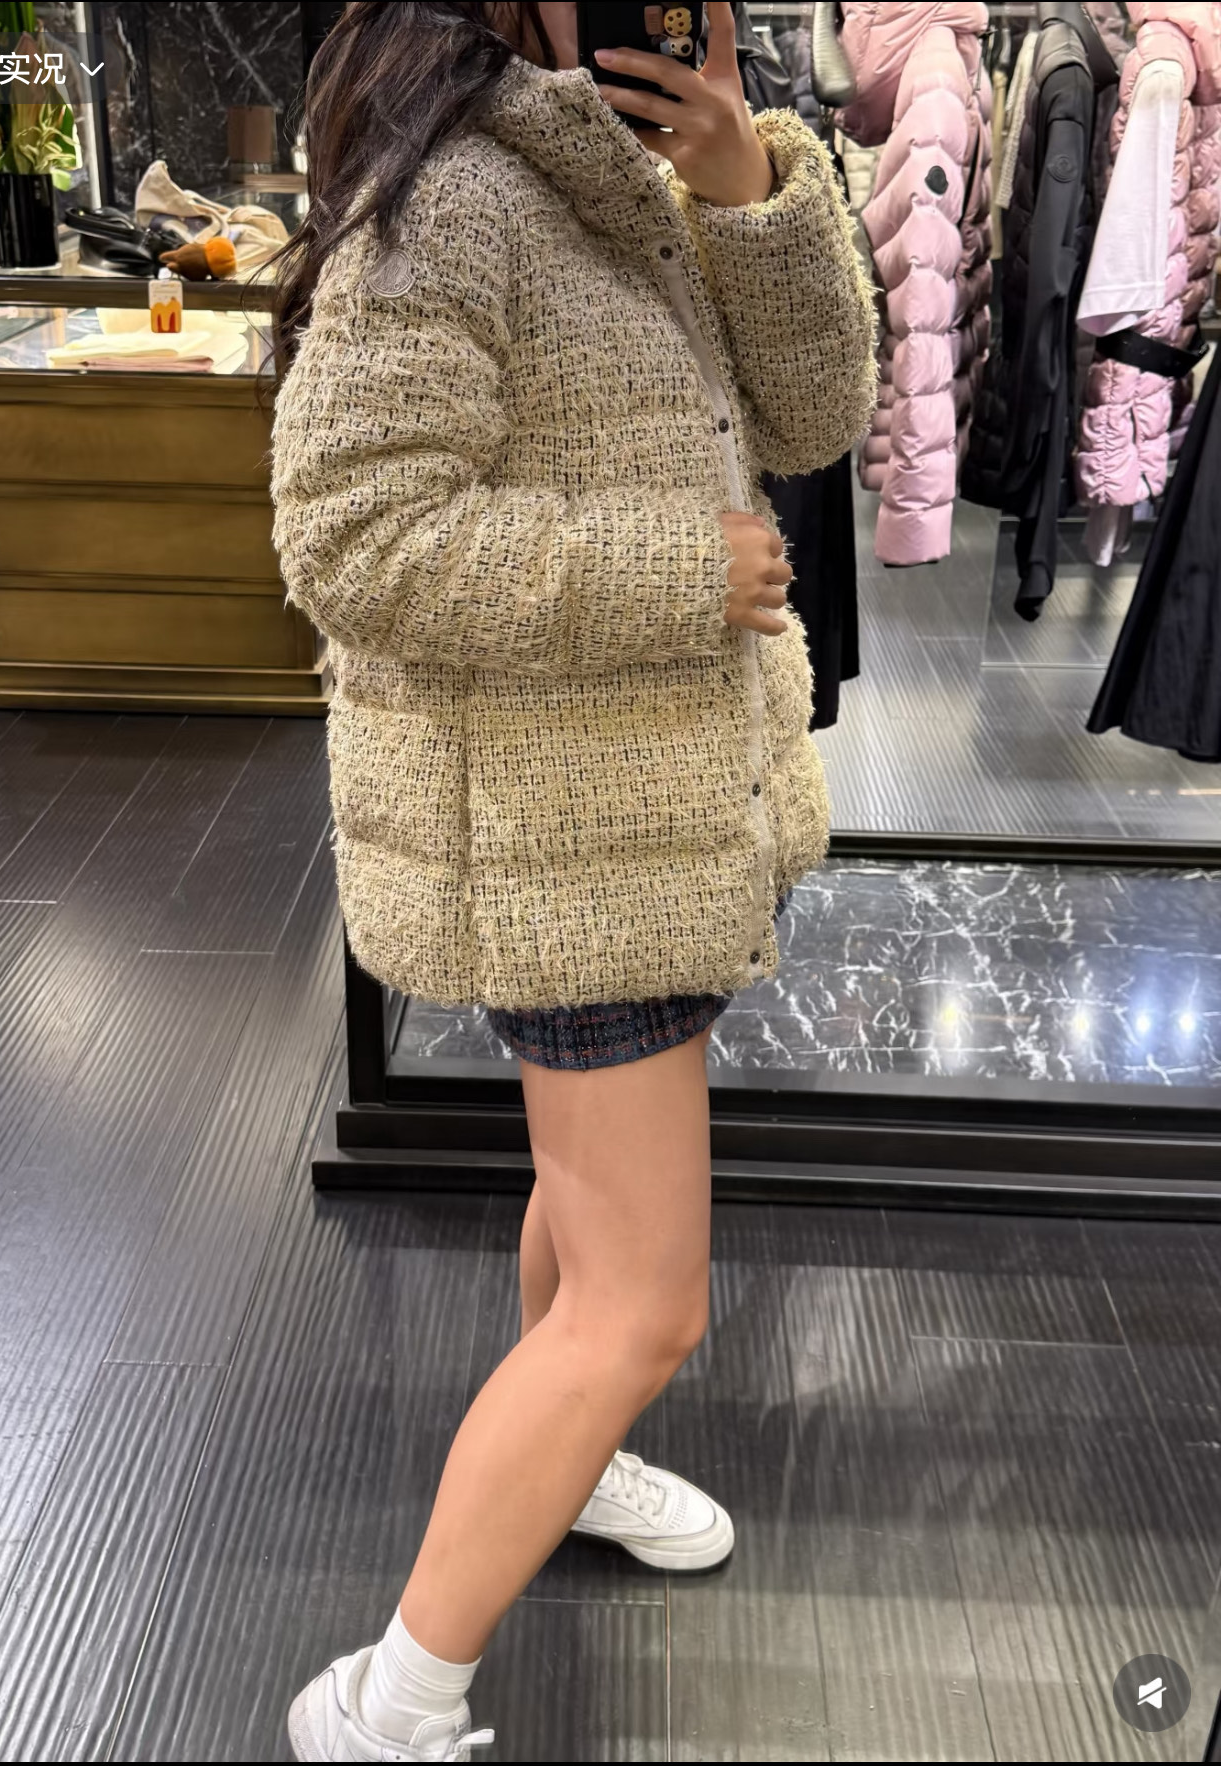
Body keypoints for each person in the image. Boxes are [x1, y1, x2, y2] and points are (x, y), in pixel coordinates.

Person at [270, 4, 875, 1758]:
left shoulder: (622, 158)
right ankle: (390, 1701)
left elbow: (818, 412)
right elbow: (350, 531)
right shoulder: (456, 196)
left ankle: (574, 1457)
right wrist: (678, 567)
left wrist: (749, 188)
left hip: (653, 810)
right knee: (647, 1298)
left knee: (586, 1210)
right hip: (561, 835)